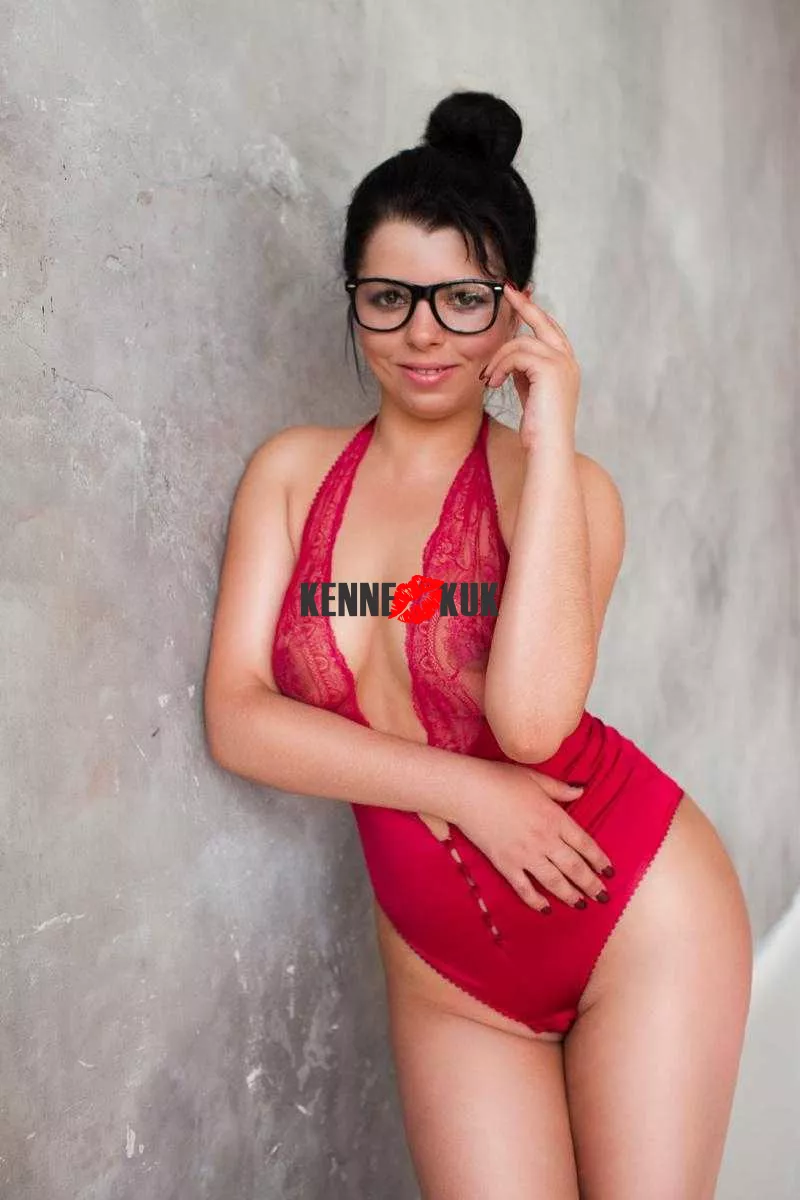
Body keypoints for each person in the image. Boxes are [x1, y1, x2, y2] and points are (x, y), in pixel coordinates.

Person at [203, 91, 753, 1199]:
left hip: (636, 917)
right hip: (449, 979)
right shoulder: (289, 474)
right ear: (353, 301)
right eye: (389, 297)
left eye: (464, 300)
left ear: (518, 312)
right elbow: (239, 718)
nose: (423, 333)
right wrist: (468, 792)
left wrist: (550, 438)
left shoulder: (570, 491)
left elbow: (533, 724)